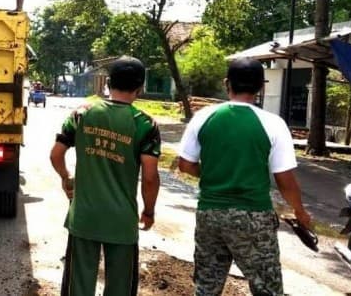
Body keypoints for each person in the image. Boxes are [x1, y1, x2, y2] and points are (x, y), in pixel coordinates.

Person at [177, 58, 312, 296]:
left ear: (226, 83)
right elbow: (285, 181)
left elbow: (185, 165)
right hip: (253, 216)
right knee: (267, 287)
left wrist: (211, 175)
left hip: (210, 214)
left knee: (206, 287)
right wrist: (300, 212)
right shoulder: (273, 124)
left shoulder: (203, 117)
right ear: (261, 86)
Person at [50, 56, 161, 296]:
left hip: (84, 216)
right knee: (120, 288)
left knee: (78, 286)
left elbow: (56, 154)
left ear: (108, 83)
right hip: (121, 221)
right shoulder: (145, 124)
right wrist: (149, 211)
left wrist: (66, 178)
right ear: (140, 88)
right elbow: (150, 176)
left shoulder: (82, 113)